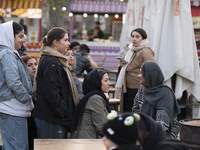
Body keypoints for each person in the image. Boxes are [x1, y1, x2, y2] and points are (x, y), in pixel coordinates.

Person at [32, 27, 79, 138]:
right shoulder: (52, 61)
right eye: (66, 40)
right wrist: (62, 112)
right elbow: (51, 91)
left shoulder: (53, 59)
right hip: (51, 118)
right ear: (55, 42)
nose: (68, 43)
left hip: (52, 117)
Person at [0, 21, 33, 150]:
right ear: (9, 36)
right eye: (20, 36)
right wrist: (26, 98)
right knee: (16, 146)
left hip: (13, 108)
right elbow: (13, 81)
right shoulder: (7, 54)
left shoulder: (9, 52)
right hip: (12, 109)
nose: (23, 40)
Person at [132, 61, 180, 139]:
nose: (138, 76)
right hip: (144, 130)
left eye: (141, 73)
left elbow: (161, 125)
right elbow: (135, 111)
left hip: (165, 134)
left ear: (149, 75)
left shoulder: (165, 93)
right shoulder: (143, 89)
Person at [115, 28, 155, 113]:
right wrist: (121, 65)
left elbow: (151, 68)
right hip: (127, 86)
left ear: (143, 39)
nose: (134, 39)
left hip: (137, 87)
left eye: (137, 37)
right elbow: (126, 65)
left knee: (134, 111)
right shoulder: (131, 50)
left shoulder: (145, 51)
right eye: (132, 36)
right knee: (128, 110)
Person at [71, 69, 111, 138]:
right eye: (106, 80)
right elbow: (102, 127)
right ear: (97, 82)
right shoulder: (95, 99)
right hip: (88, 142)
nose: (109, 83)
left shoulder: (91, 96)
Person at [22, 55, 38, 150]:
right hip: (29, 120)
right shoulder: (26, 82)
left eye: (35, 64)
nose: (34, 67)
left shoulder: (38, 80)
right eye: (30, 65)